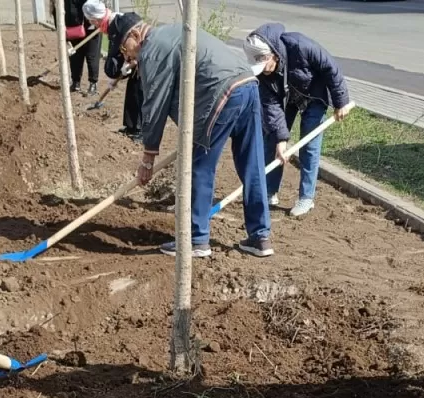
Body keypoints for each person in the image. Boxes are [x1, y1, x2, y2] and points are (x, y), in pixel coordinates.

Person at [122, 22, 273, 258]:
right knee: (252, 164)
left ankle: (196, 239)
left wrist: (148, 156)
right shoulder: (173, 32)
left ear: (135, 34)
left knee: (199, 166)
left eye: (125, 49)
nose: (128, 56)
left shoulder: (152, 48)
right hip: (247, 84)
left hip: (222, 92)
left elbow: (154, 101)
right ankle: (260, 237)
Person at [243, 24, 350, 218]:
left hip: (315, 95)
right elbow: (271, 107)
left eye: (264, 65)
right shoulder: (263, 75)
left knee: (309, 145)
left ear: (273, 54)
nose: (263, 71)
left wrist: (340, 101)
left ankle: (306, 198)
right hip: (288, 97)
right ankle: (269, 191)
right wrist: (281, 139)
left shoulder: (300, 46)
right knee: (273, 142)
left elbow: (330, 69)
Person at [83, 0, 141, 139]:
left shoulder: (119, 27)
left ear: (96, 20)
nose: (94, 25)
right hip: (137, 58)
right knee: (133, 88)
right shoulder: (117, 20)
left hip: (148, 58)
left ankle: (140, 132)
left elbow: (114, 63)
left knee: (140, 90)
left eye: (93, 22)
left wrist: (117, 73)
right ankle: (131, 127)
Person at [62, 0, 98, 95]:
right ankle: (75, 82)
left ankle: (93, 84)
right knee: (75, 55)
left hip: (91, 27)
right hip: (73, 29)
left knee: (91, 55)